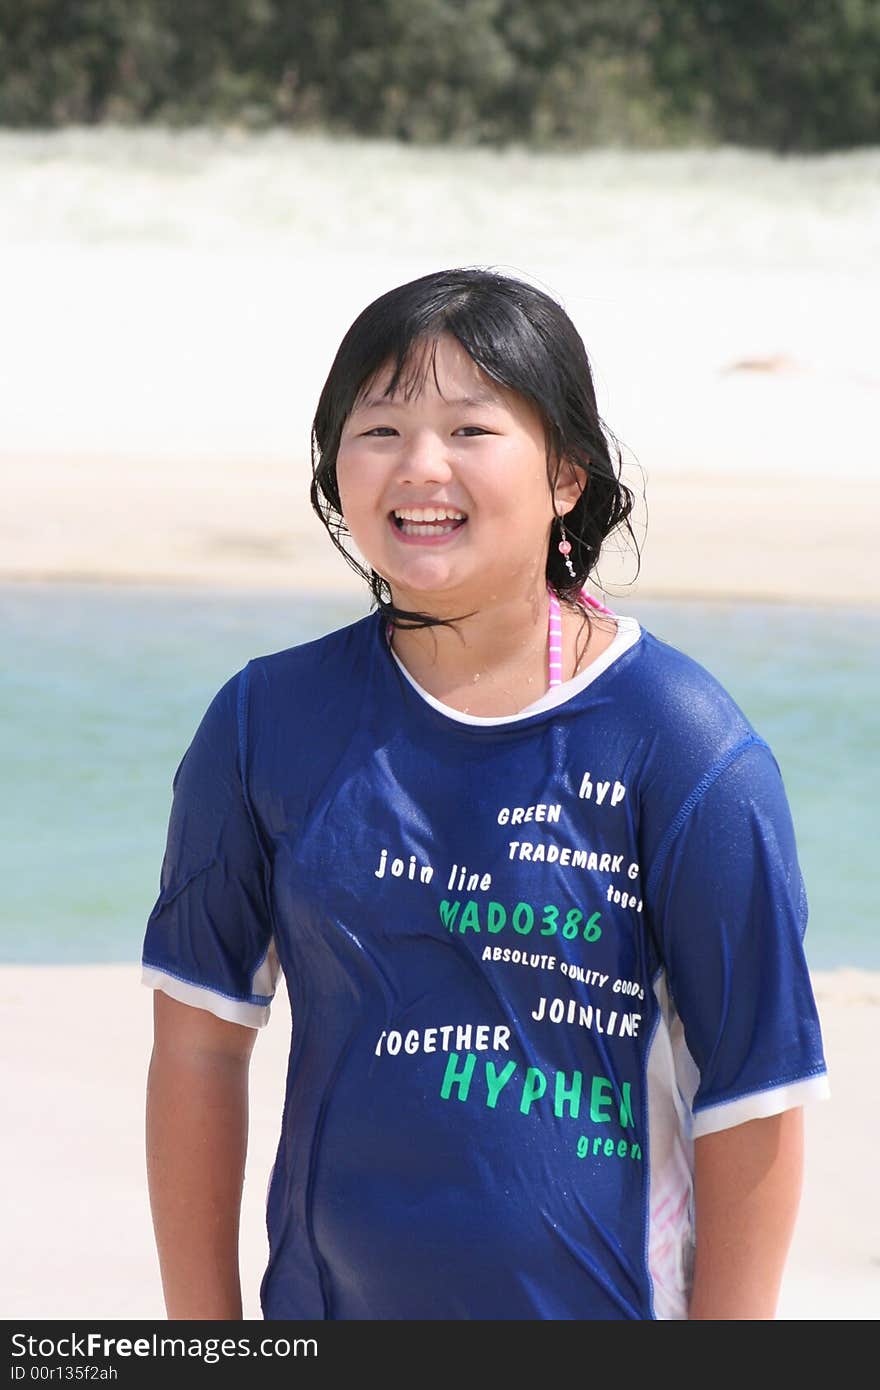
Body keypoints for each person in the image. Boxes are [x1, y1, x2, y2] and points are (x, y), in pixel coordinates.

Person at [143, 266, 830, 1321]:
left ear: (565, 472)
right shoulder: (263, 723)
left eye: (470, 429)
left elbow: (753, 1097)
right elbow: (196, 1040)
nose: (420, 467)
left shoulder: (684, 746)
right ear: (335, 467)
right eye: (378, 429)